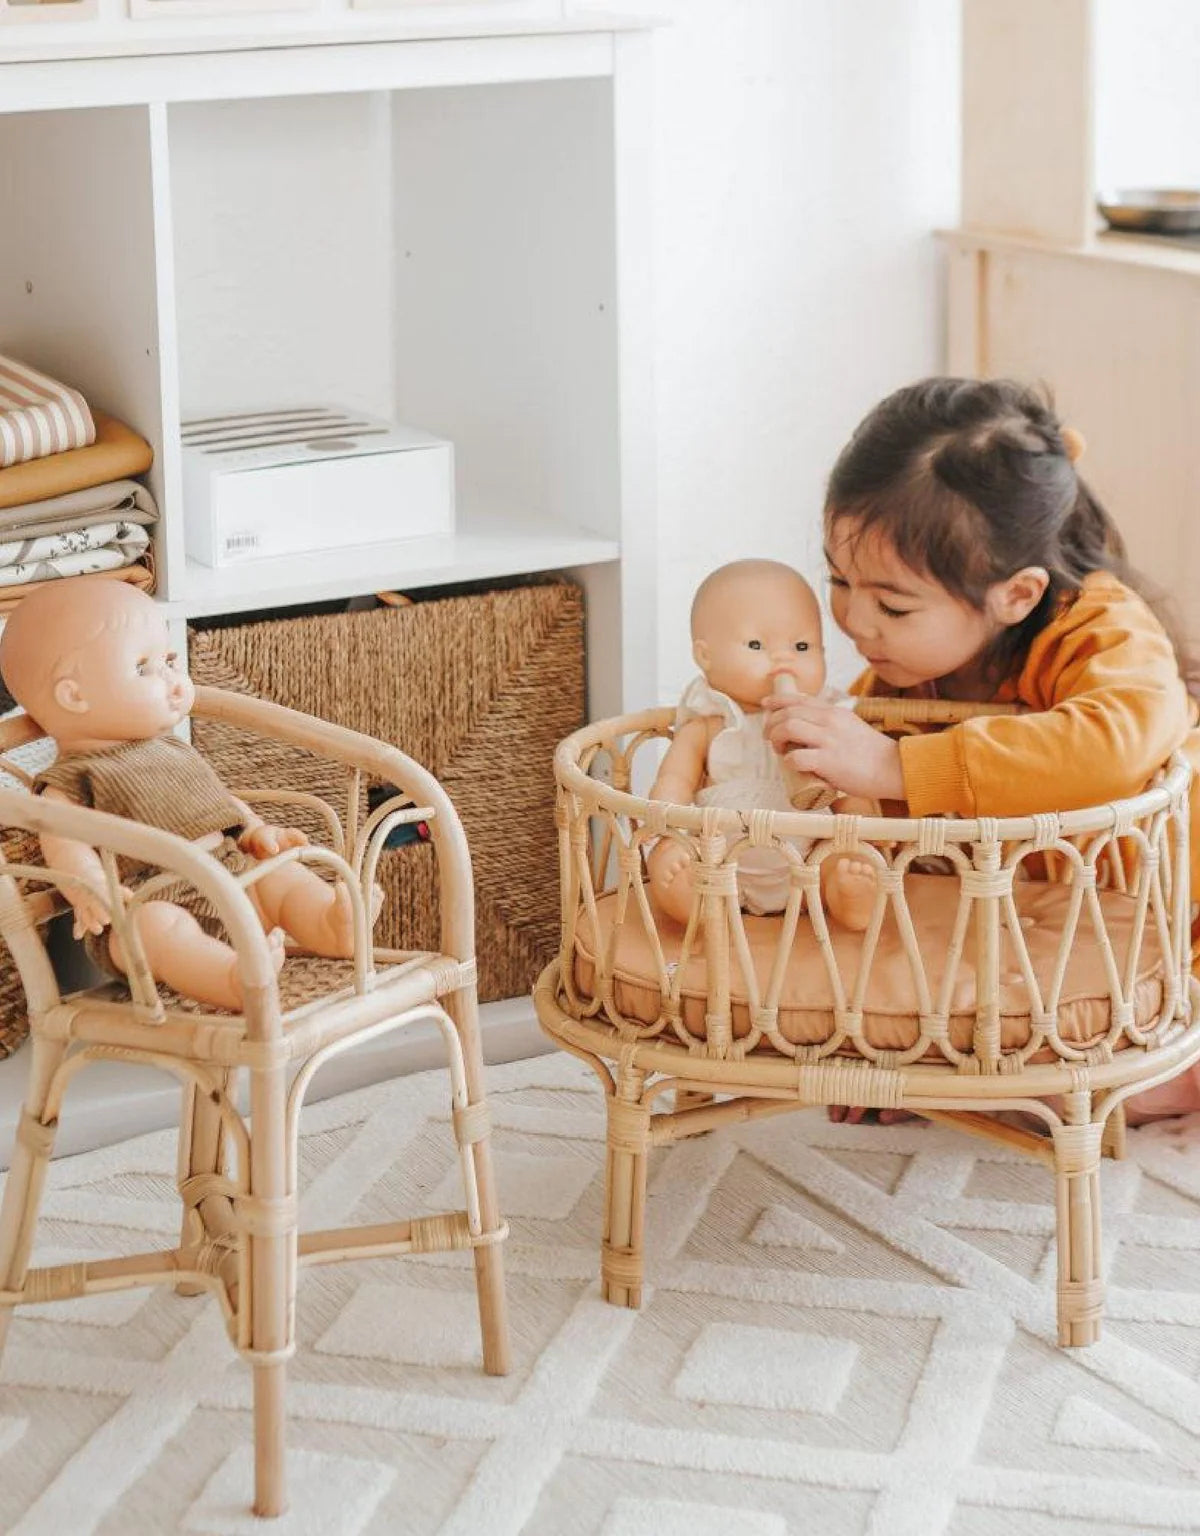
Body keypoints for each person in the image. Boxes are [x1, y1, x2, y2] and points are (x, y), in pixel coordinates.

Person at [761, 376, 1200, 1124]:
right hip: (1036, 925)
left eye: (893, 603)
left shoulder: (1099, 626)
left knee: (1160, 1049)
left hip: (1168, 914)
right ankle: (954, 1067)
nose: (856, 621)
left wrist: (895, 767)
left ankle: (1118, 1082)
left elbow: (1117, 741)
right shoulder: (904, 674)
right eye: (839, 581)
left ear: (1017, 595)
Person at [0, 580, 363, 1010]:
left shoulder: (172, 748)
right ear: (74, 696)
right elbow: (64, 840)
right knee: (156, 930)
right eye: (143, 668)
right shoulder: (71, 779)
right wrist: (91, 887)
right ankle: (234, 980)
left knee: (280, 876)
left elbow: (218, 804)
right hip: (152, 899)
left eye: (170, 660)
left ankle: (332, 926)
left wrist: (255, 831)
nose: (174, 680)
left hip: (233, 879)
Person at [646, 557, 878, 931]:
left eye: (802, 646)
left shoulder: (827, 720)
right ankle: (693, 901)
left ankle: (847, 893)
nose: (783, 659)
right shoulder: (708, 723)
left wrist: (867, 832)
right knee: (673, 856)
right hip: (723, 859)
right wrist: (668, 826)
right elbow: (675, 778)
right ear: (705, 657)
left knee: (846, 855)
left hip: (808, 861)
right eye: (756, 644)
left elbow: (855, 789)